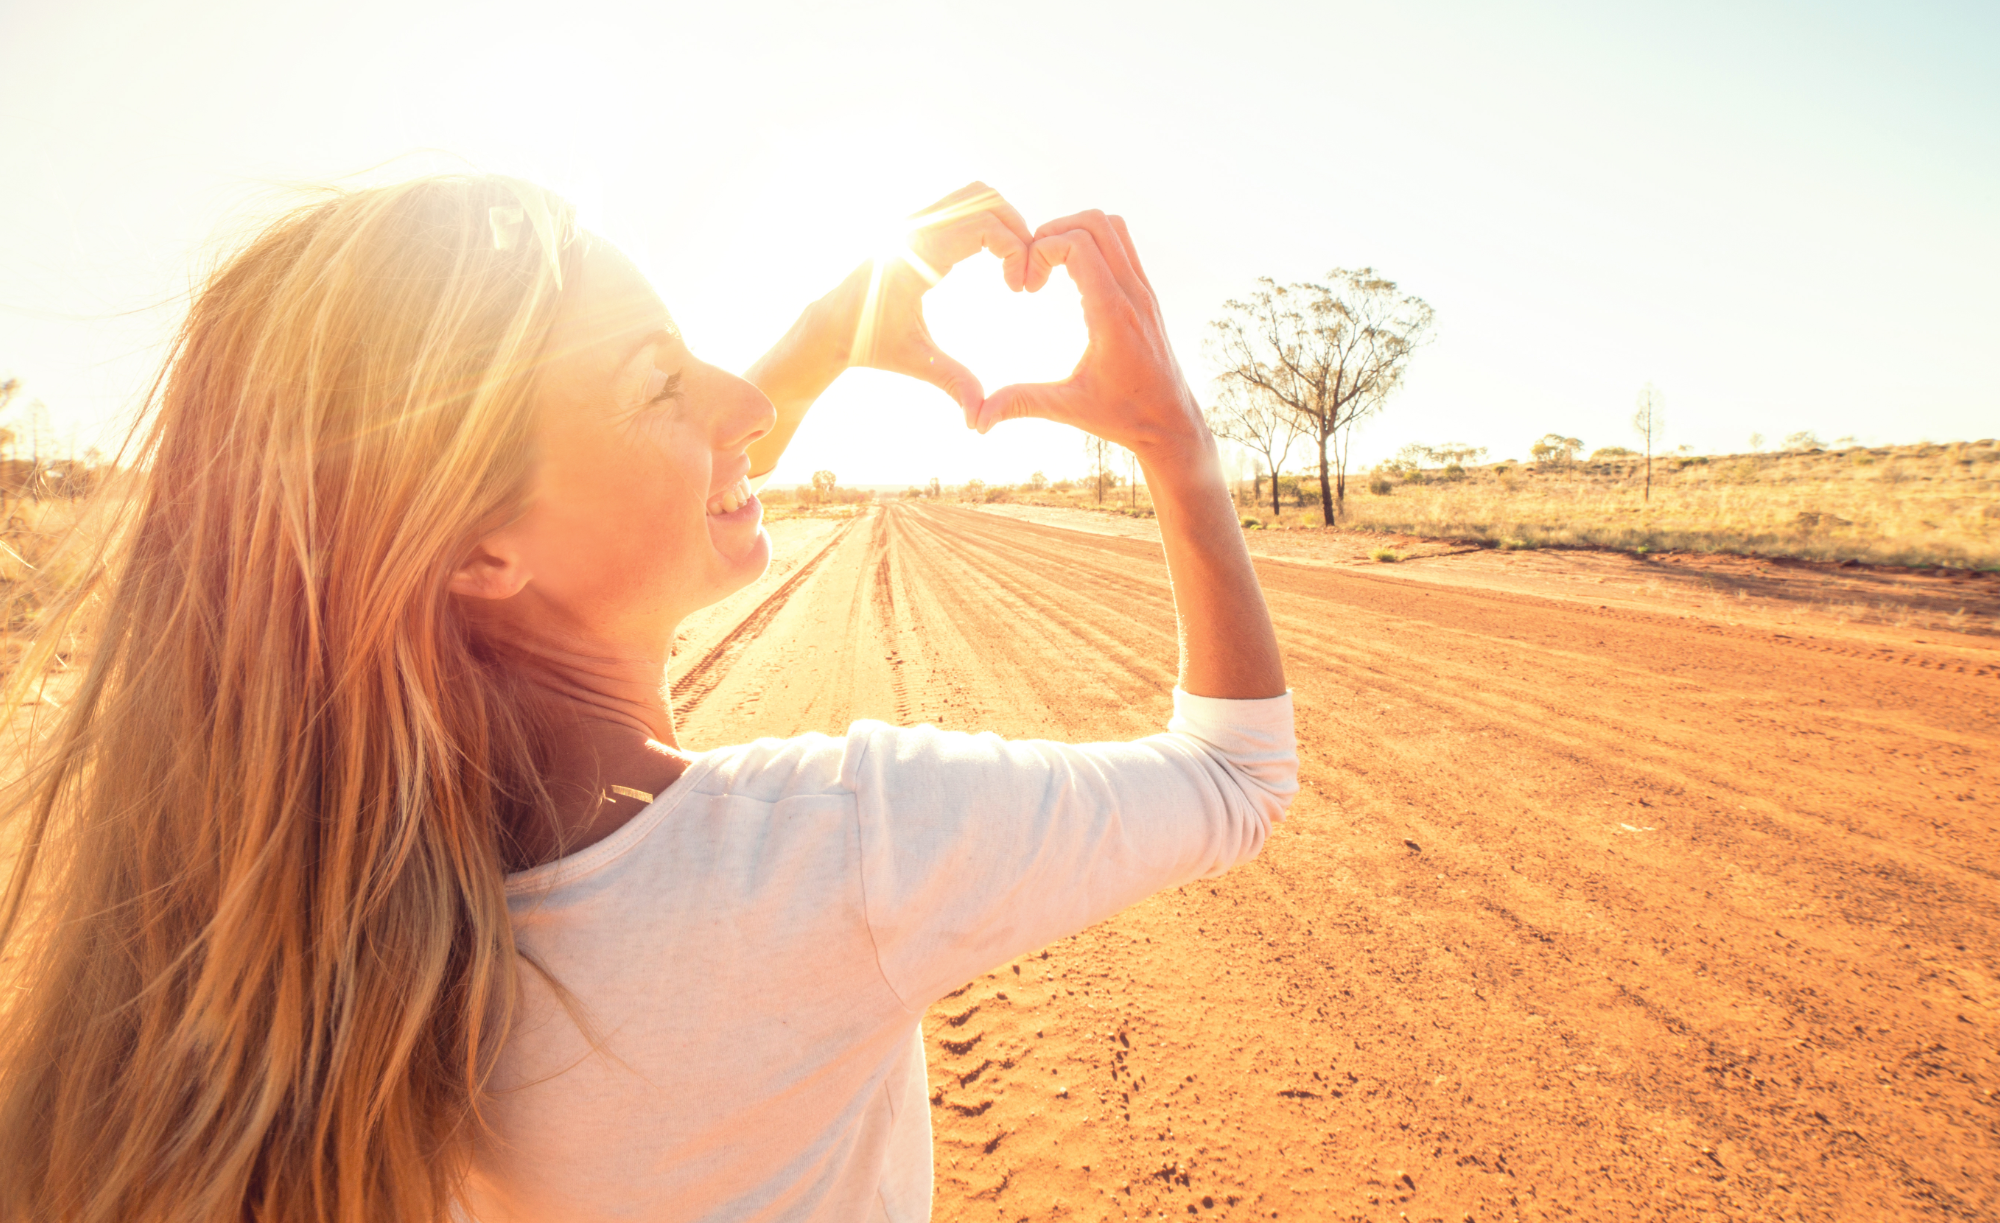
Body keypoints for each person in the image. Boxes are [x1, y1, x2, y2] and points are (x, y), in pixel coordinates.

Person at [0, 175, 1294, 1223]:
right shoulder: (845, 844)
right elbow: (1239, 775)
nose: (739, 401)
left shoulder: (355, 920)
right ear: (477, 551)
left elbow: (605, 499)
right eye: (659, 381)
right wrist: (1175, 437)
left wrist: (821, 339)